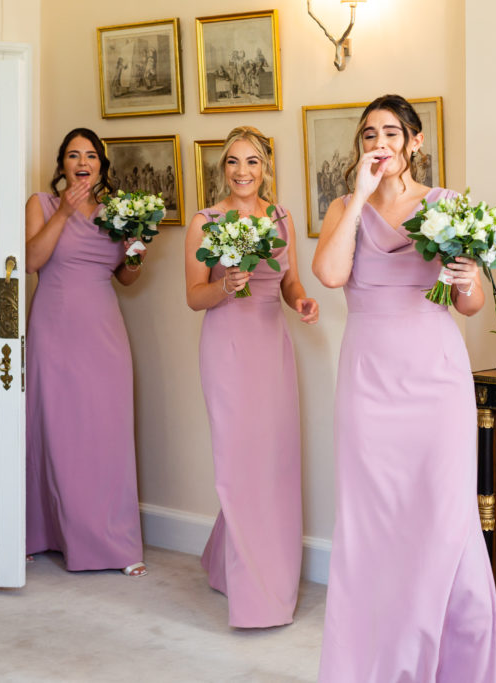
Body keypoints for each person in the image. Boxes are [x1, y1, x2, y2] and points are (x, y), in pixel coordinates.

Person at [311, 94, 496, 681]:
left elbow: (471, 306)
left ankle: (457, 665)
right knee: (373, 529)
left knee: (447, 522)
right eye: (369, 134)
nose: (379, 144)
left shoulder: (447, 207)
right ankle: (377, 665)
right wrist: (362, 198)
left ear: (415, 142)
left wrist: (469, 276)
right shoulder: (345, 207)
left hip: (436, 381)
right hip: (369, 382)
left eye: (391, 133)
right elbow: (329, 275)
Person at [184, 126, 319, 628]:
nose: (242, 172)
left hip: (271, 345)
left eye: (252, 163)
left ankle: (233, 562)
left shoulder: (281, 217)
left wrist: (301, 300)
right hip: (227, 345)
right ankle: (254, 594)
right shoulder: (205, 221)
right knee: (239, 461)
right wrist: (225, 284)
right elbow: (193, 295)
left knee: (273, 460)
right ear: (223, 169)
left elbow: (289, 278)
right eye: (233, 163)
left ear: (266, 168)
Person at [24, 127, 147, 577]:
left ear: (101, 166)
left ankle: (113, 544)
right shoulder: (40, 203)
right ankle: (41, 533)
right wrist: (64, 213)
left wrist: (136, 253)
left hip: (103, 331)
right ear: (61, 166)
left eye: (91, 155)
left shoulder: (118, 212)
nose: (82, 162)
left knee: (105, 432)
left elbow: (126, 277)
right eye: (73, 155)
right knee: (52, 428)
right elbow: (32, 261)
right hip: (53, 328)